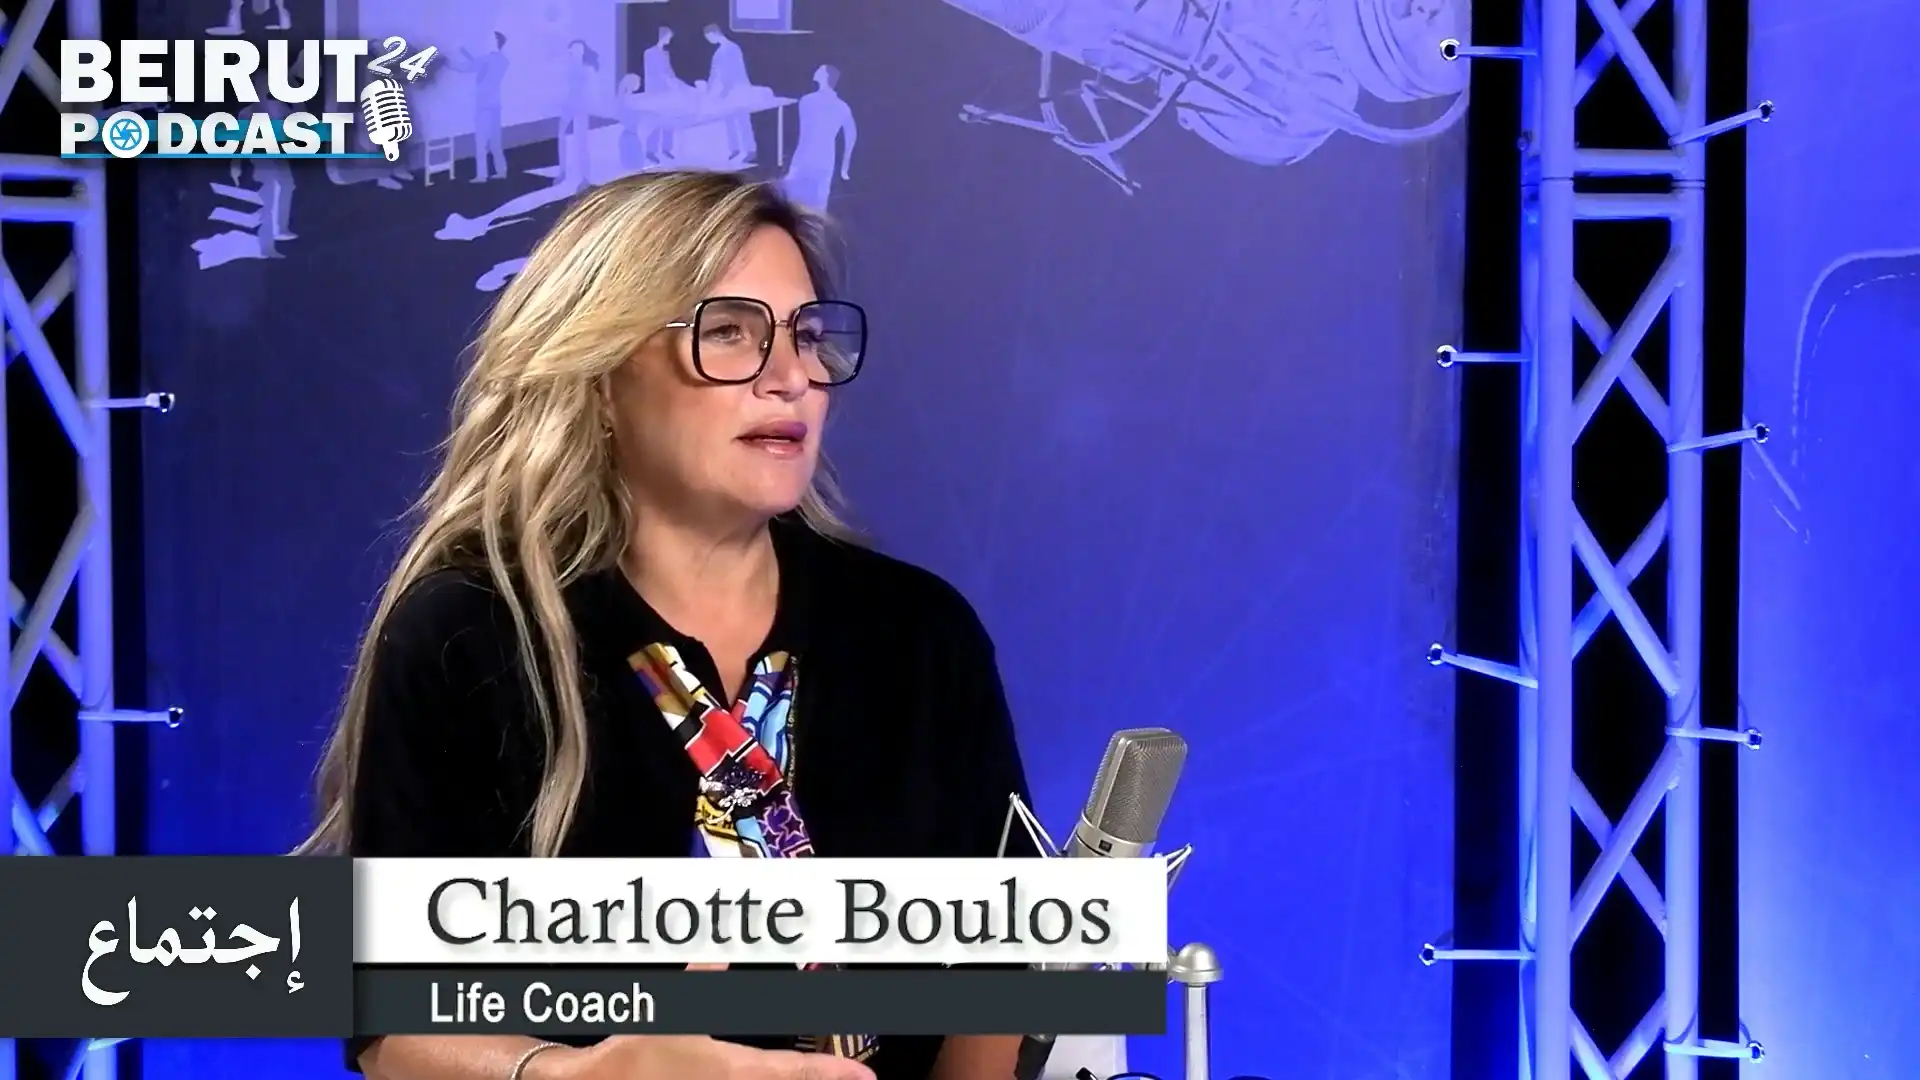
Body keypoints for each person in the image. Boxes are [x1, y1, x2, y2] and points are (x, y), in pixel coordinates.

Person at [297, 170, 1035, 1080]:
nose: (791, 378)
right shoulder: (470, 634)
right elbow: (395, 1026)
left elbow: (997, 976)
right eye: (729, 332)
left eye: (807, 336)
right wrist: (571, 1075)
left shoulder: (919, 634)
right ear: (603, 375)